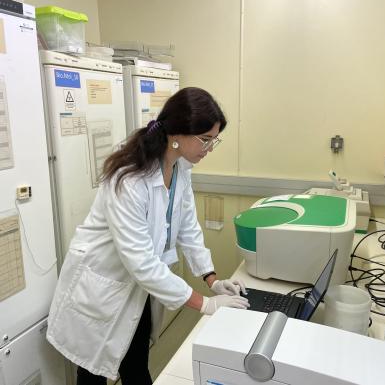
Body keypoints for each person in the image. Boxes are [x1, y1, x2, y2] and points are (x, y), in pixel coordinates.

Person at [46, 87, 250, 385]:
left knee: (135, 363)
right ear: (176, 135)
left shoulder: (180, 167)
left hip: (137, 288)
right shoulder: (129, 178)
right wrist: (205, 305)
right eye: (205, 139)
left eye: (213, 140)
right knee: (91, 372)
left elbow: (188, 228)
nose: (209, 148)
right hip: (103, 287)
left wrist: (212, 279)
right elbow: (140, 262)